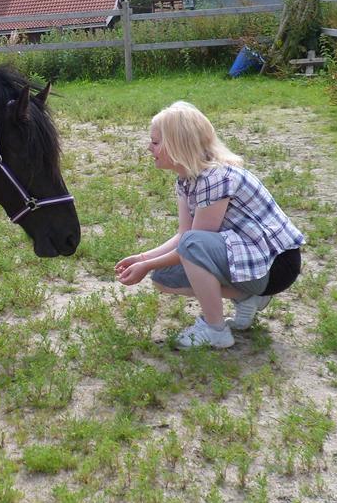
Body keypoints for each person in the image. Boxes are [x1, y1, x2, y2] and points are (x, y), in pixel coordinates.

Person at [115, 101, 304, 349]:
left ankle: (216, 330)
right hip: (249, 260)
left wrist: (145, 264)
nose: (149, 148)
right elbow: (184, 235)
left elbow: (194, 243)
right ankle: (248, 299)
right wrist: (142, 259)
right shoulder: (186, 179)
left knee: (192, 246)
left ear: (178, 145)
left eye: (156, 142)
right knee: (163, 277)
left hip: (277, 265)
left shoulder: (216, 178)